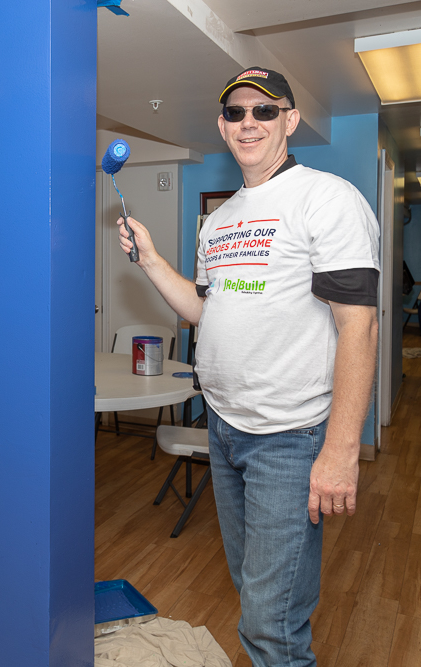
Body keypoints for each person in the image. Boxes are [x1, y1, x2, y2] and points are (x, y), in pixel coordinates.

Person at [117, 67, 379, 665]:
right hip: (226, 427)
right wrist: (153, 261)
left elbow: (358, 327)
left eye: (265, 111)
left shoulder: (326, 197)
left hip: (289, 437)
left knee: (272, 623)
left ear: (290, 120)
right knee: (255, 591)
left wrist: (340, 451)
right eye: (236, 113)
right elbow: (203, 312)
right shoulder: (220, 219)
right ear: (221, 125)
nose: (248, 123)